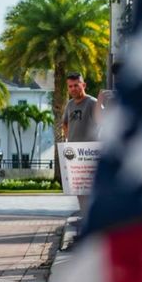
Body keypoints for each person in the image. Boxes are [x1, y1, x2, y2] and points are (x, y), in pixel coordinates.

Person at [60, 72, 101, 215]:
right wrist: (68, 139)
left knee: (91, 189)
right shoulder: (70, 105)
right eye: (70, 86)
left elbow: (103, 122)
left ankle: (92, 217)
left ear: (83, 85)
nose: (73, 89)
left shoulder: (92, 103)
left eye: (76, 85)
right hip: (74, 153)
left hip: (89, 153)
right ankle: (84, 217)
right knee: (79, 190)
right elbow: (65, 123)